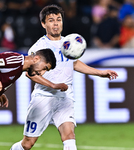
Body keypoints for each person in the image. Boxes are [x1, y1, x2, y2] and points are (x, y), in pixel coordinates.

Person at [10, 4, 118, 150]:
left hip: (65, 97)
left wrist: (100, 73)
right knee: (28, 144)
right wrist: (53, 85)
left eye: (59, 19)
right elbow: (31, 74)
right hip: (43, 98)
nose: (56, 23)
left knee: (69, 137)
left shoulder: (69, 43)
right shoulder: (38, 48)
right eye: (51, 20)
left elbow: (74, 63)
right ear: (43, 24)